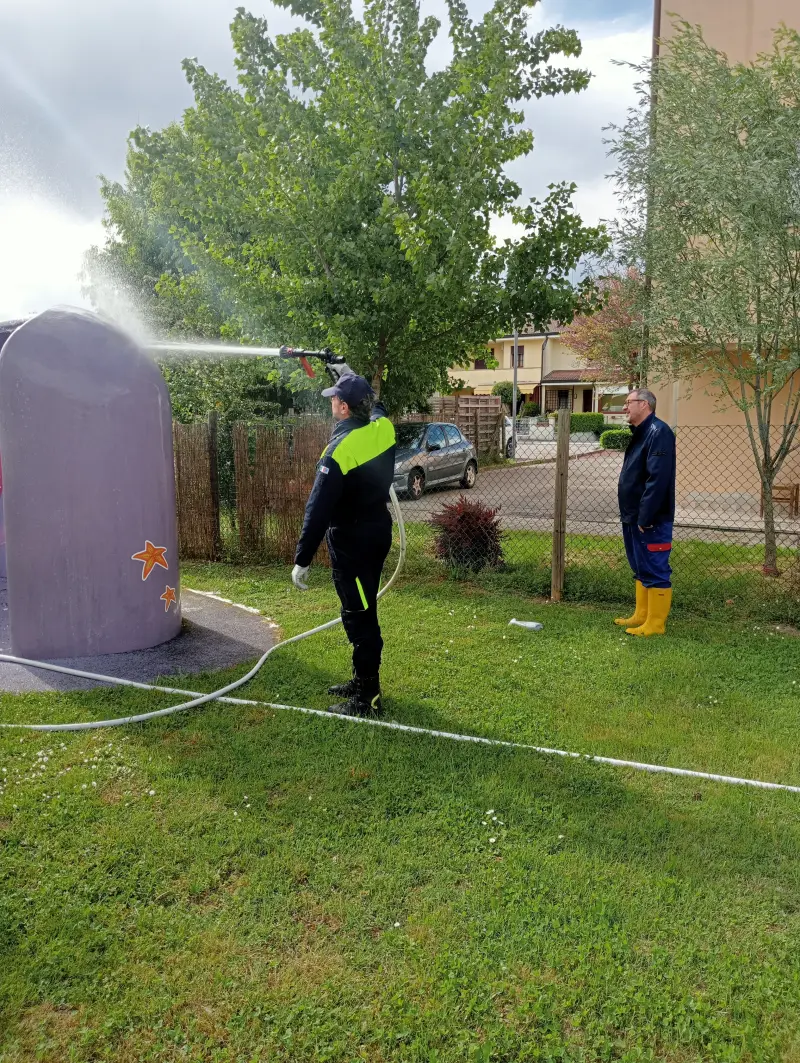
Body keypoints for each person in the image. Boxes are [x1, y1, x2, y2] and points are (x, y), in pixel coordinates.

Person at [292, 371, 396, 716]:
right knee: (361, 608)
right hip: (377, 533)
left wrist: (302, 558)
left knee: (359, 616)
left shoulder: (338, 451)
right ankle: (360, 679)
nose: (331, 402)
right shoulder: (383, 429)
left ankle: (368, 696)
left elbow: (318, 508)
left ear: (344, 407)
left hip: (353, 544)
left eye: (335, 398)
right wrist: (347, 373)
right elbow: (378, 408)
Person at [614, 388, 676, 636]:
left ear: (644, 404)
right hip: (633, 516)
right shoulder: (641, 432)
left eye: (628, 402)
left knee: (655, 567)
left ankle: (656, 624)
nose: (624, 407)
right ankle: (642, 615)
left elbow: (658, 479)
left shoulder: (659, 432)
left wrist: (646, 516)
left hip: (651, 519)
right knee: (640, 566)